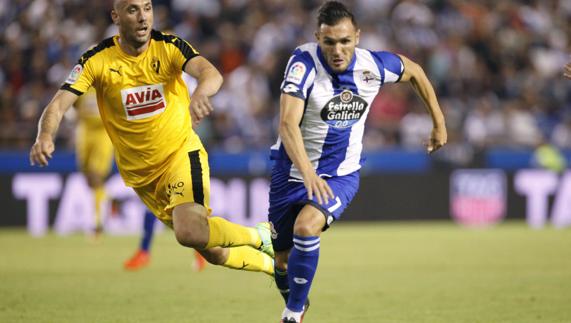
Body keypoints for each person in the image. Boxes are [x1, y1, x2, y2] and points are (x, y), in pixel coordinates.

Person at [30, 0, 274, 281]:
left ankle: (259, 235)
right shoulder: (97, 59)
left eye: (147, 8)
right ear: (116, 16)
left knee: (190, 232)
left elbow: (211, 74)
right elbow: (59, 104)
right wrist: (45, 135)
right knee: (211, 249)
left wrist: (200, 95)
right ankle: (273, 268)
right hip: (142, 176)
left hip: (181, 154)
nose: (143, 17)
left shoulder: (168, 46)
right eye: (133, 9)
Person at [268, 2, 447, 322]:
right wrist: (308, 174)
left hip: (341, 173)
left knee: (307, 227)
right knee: (281, 260)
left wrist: (439, 122)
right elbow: (287, 124)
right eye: (329, 42)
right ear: (317, 38)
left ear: (357, 37)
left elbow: (415, 71)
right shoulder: (303, 64)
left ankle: (292, 314)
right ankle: (298, 300)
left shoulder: (373, 65)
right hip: (290, 172)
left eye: (345, 41)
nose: (338, 50)